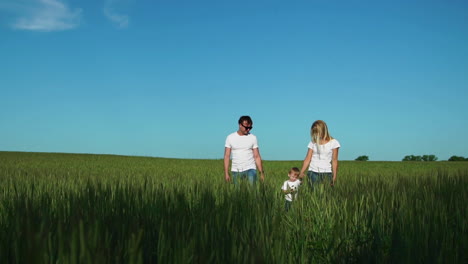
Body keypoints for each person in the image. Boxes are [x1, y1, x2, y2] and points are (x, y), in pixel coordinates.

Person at [224, 115, 265, 184]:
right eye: (246, 127)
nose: (248, 129)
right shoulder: (230, 137)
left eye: (250, 127)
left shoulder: (253, 138)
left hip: (250, 169)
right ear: (240, 125)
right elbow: (227, 156)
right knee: (237, 193)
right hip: (236, 170)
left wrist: (261, 173)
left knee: (251, 192)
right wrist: (226, 173)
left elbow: (257, 156)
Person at [300, 120, 340, 189]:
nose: (316, 134)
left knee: (327, 195)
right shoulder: (312, 143)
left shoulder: (334, 143)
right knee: (314, 193)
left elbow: (334, 160)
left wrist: (334, 176)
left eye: (317, 132)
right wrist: (301, 172)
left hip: (327, 172)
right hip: (313, 172)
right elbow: (307, 159)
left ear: (323, 130)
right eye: (314, 132)